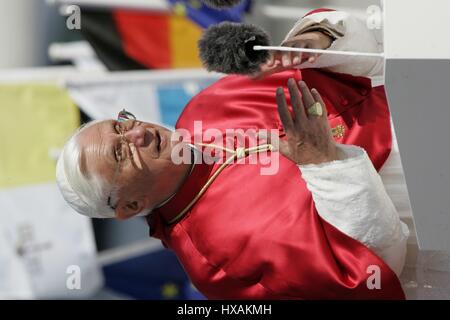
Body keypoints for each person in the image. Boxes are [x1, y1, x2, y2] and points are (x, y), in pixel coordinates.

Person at [56, 8, 409, 299]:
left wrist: (317, 40)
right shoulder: (214, 265)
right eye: (122, 153)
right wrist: (324, 164)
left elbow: (366, 64)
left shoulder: (204, 108)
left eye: (122, 125)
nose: (138, 133)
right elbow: (376, 272)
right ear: (130, 206)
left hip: (420, 100)